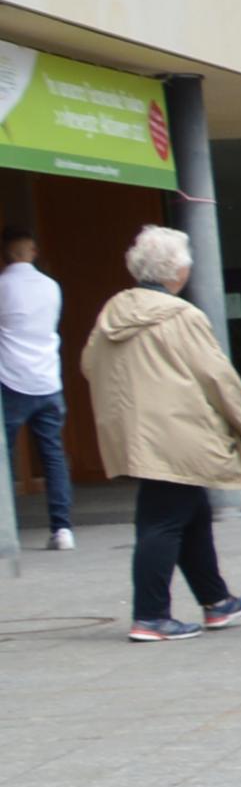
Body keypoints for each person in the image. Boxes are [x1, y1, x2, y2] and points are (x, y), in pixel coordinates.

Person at [81, 225, 241, 639]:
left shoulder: (113, 312)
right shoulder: (182, 316)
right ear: (177, 271)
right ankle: (150, 616)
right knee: (161, 521)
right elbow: (218, 378)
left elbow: (89, 365)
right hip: (178, 431)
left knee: (191, 511)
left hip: (136, 431)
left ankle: (216, 600)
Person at [0, 225, 70, 550]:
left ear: (5, 254)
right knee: (53, 455)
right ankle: (62, 529)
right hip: (48, 380)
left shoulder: (3, 286)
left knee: (5, 457)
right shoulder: (52, 287)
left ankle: (6, 529)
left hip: (11, 380)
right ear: (34, 252)